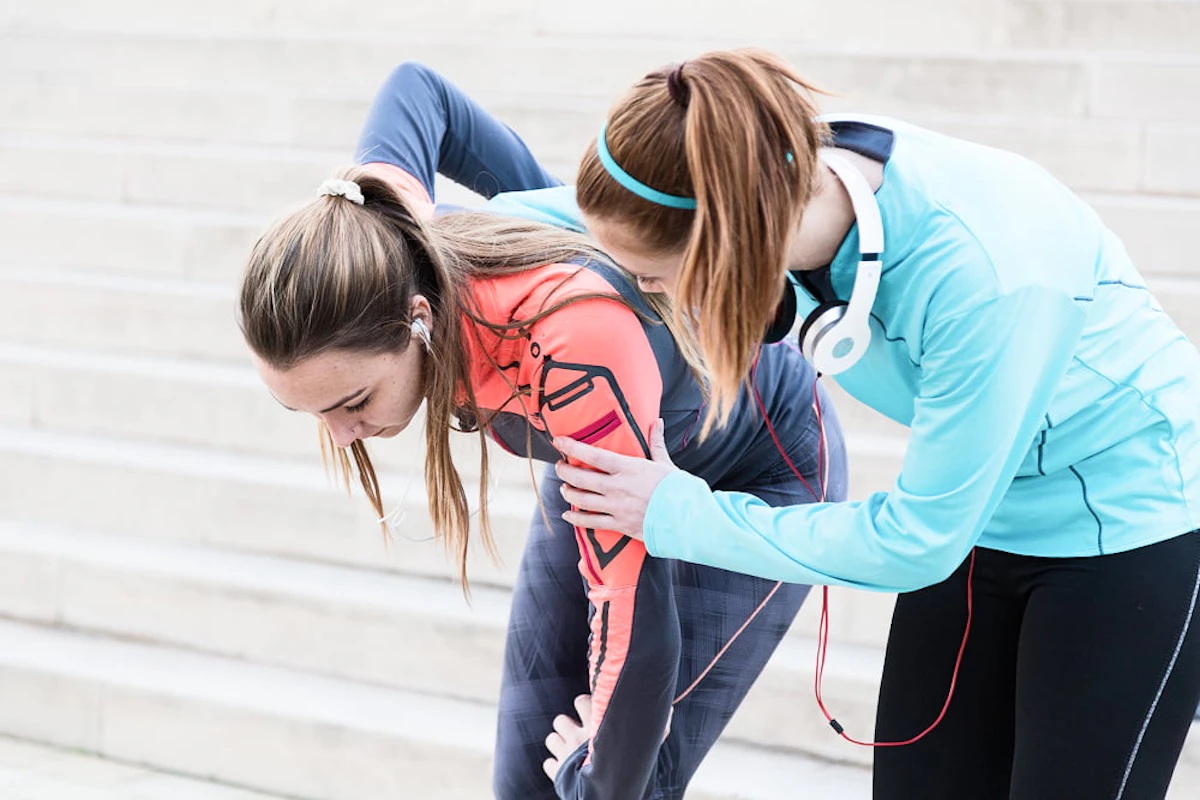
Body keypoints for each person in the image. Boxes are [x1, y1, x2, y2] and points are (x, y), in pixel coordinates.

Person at [543, 48, 1200, 799]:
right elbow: (554, 213)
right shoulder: (762, 168)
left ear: (730, 242)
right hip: (982, 525)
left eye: (653, 278)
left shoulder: (986, 277)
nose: (644, 292)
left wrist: (677, 513)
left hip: (1130, 531)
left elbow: (916, 542)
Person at [237, 62, 847, 800]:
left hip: (759, 469)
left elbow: (634, 609)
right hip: (605, 462)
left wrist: (602, 779)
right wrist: (387, 219)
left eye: (352, 400)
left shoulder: (571, 343)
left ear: (418, 318)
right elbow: (416, 90)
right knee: (526, 781)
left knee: (624, 783)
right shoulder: (400, 247)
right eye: (310, 413)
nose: (342, 435)